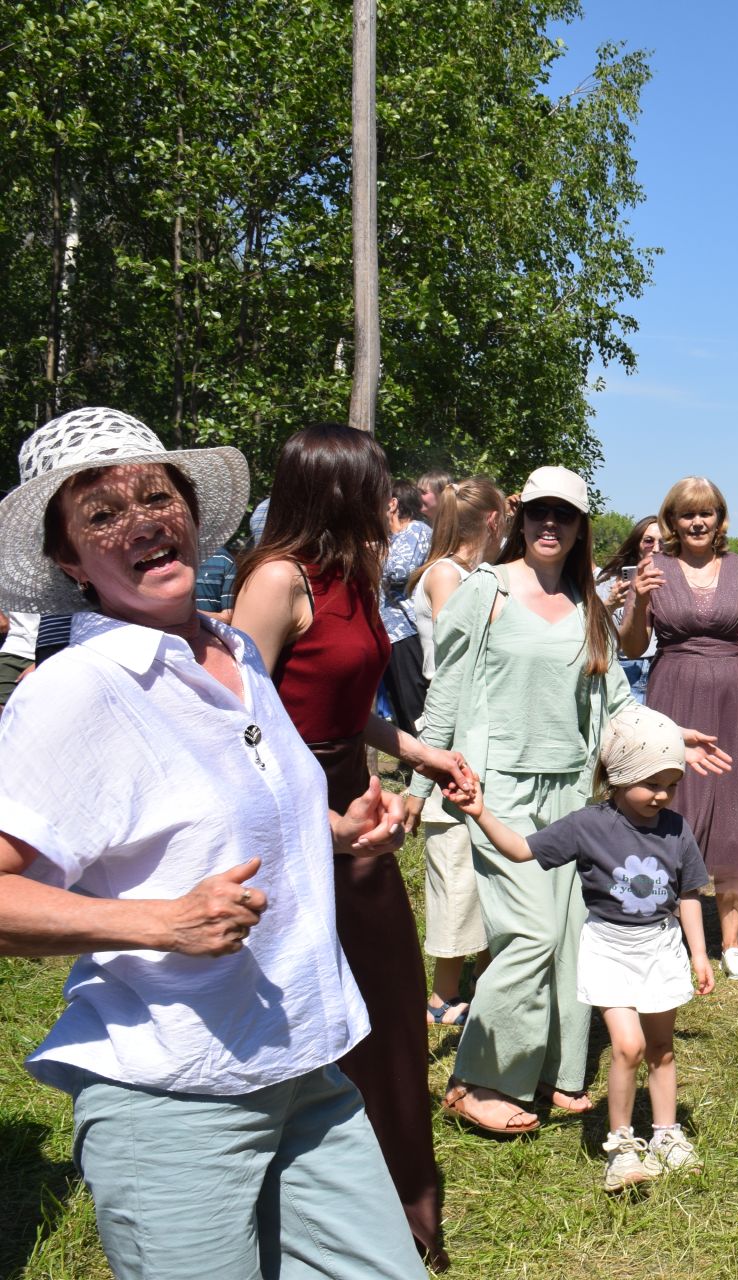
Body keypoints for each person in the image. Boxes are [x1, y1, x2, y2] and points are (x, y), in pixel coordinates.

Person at [0, 407, 420, 1277]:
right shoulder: (81, 689)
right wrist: (161, 924)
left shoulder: (230, 650)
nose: (142, 521)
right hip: (174, 1097)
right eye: (102, 515)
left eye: (156, 495)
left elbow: (221, 816)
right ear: (70, 561)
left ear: (192, 512)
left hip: (307, 1068)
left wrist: (337, 834)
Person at [231, 423, 470, 1268]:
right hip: (286, 809)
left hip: (352, 800)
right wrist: (310, 823)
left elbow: (348, 708)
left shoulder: (357, 577)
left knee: (390, 1007)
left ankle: (399, 1209)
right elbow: (242, 722)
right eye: (380, 485)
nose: (395, 502)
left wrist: (420, 753)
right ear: (336, 490)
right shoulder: (275, 581)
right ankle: (286, 1207)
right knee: (295, 1008)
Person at [412, 465, 687, 1137]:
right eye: (539, 512)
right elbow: (445, 691)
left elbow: (612, 695)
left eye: (564, 516)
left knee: (570, 938)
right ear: (517, 518)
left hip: (572, 789)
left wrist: (668, 737)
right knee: (529, 934)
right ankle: (476, 1080)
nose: (550, 525)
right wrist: (420, 787)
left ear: (581, 529)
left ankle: (552, 1073)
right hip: (498, 787)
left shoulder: (586, 604)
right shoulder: (486, 591)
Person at [442, 704, 714, 1192]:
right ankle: (622, 1145)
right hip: (609, 948)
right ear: (617, 775)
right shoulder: (588, 825)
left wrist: (698, 953)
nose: (662, 795)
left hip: (660, 947)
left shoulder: (676, 830)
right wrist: (480, 812)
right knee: (627, 1046)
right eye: (651, 783)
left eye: (671, 785)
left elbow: (689, 893)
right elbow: (522, 850)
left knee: (661, 1049)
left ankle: (668, 1135)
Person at [622, 477, 738, 981]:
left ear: (719, 519)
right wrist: (640, 602)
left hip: (735, 697)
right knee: (673, 809)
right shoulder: (655, 568)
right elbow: (630, 647)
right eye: (687, 514)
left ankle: (731, 944)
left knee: (735, 814)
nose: (697, 522)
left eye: (707, 513)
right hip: (674, 697)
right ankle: (669, 935)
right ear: (671, 520)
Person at [407, 475, 511, 1027]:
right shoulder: (447, 574)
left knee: (482, 858)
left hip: (482, 723)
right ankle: (443, 996)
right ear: (494, 519)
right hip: (450, 727)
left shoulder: (474, 574)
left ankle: (484, 975)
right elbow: (456, 650)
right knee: (453, 861)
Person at [378, 477, 434, 734]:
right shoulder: (389, 538)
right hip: (387, 633)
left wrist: (376, 553)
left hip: (407, 632)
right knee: (398, 705)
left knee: (414, 705)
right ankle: (413, 764)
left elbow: (398, 572)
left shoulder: (417, 531)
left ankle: (430, 764)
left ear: (393, 504)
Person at [596, 514, 663, 701]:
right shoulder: (609, 581)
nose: (656, 548)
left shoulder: (673, 581)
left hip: (659, 669)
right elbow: (588, 627)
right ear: (637, 544)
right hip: (620, 668)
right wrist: (611, 603)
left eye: (663, 542)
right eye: (648, 541)